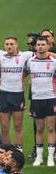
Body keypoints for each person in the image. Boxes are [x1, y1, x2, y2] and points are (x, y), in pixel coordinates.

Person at [0, 37, 33, 151]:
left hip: (18, 95)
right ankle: (7, 150)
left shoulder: (24, 55)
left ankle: (18, 150)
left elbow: (41, 53)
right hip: (4, 95)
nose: (9, 46)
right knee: (4, 127)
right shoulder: (0, 54)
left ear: (17, 45)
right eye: (7, 44)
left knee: (18, 126)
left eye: (11, 44)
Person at [26, 37, 56, 167]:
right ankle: (38, 157)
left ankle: (50, 157)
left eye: (43, 44)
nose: (41, 47)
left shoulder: (54, 62)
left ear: (48, 46)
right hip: (36, 99)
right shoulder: (30, 61)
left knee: (50, 128)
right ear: (35, 46)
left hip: (50, 98)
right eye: (38, 45)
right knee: (39, 128)